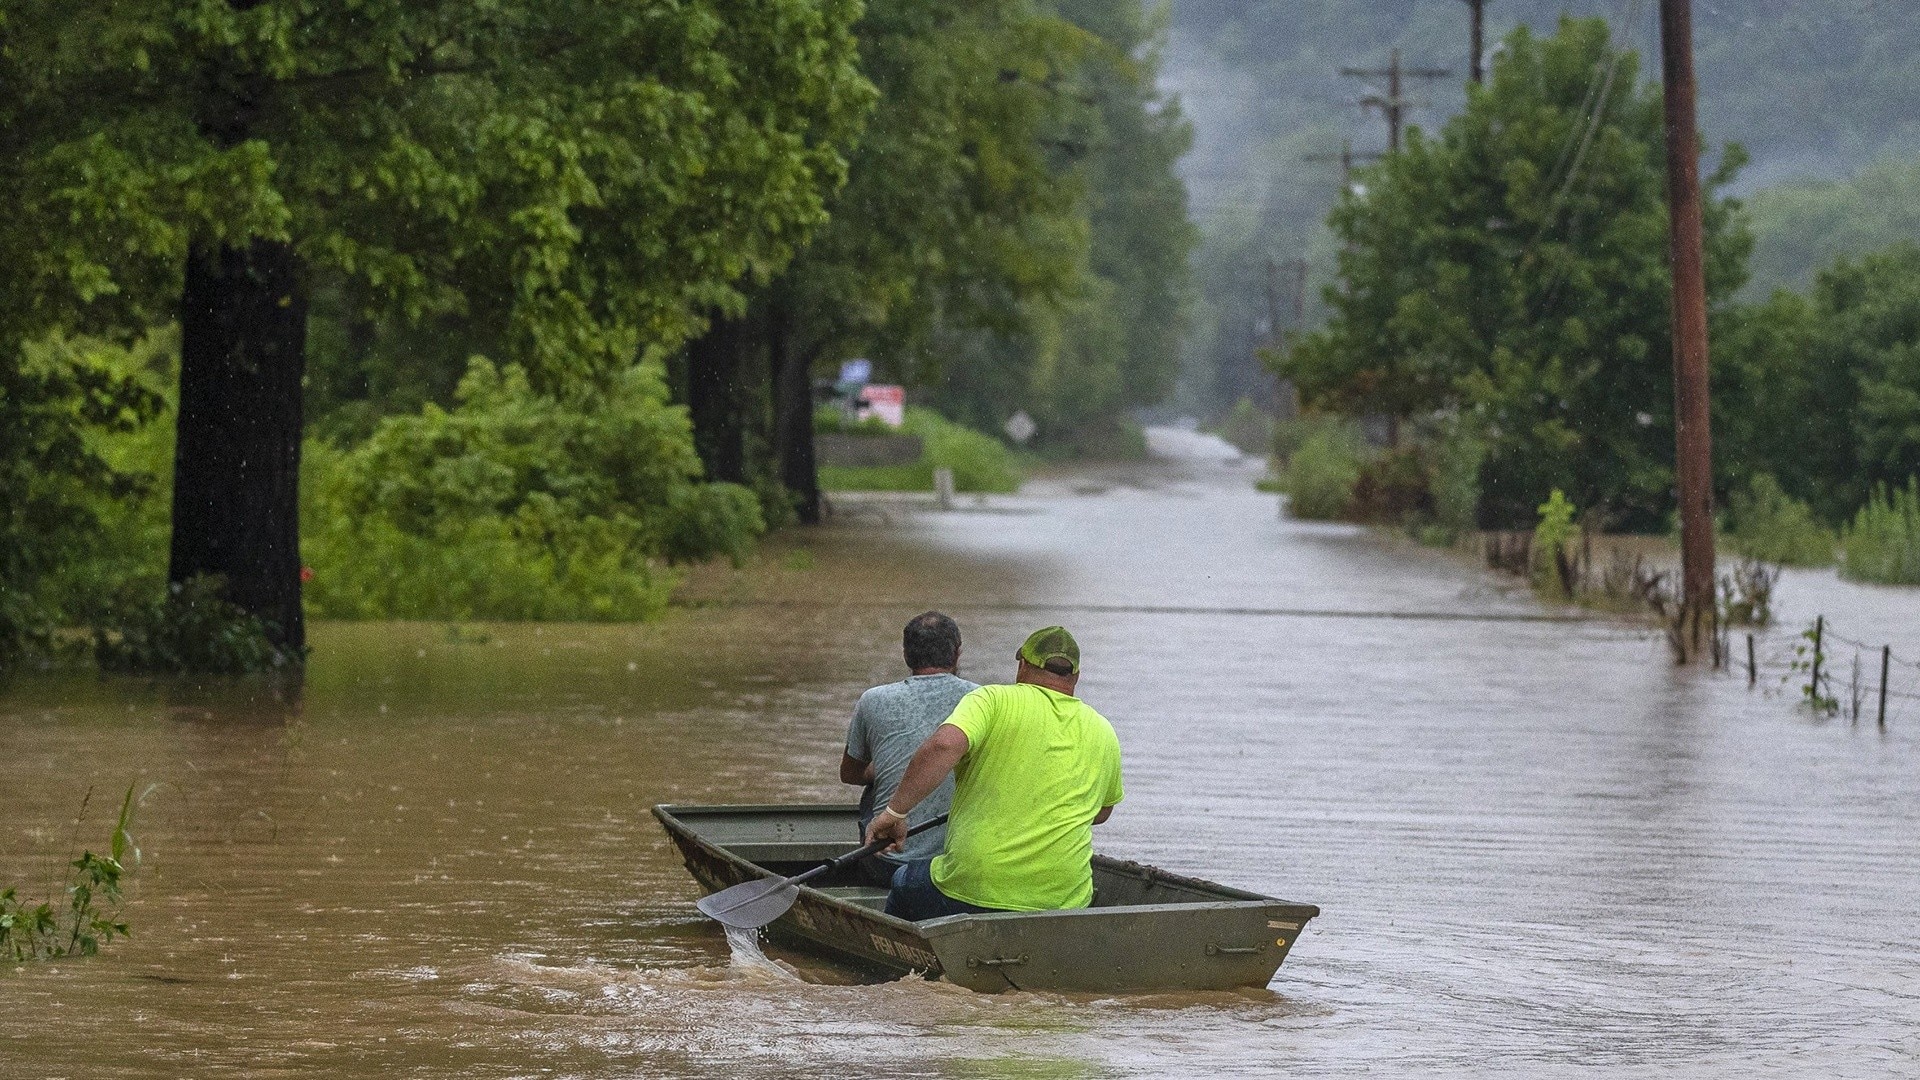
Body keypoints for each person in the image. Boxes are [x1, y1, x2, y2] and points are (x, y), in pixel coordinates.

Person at [864, 625, 1123, 920]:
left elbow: (944, 744)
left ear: (1022, 664)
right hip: (1064, 899)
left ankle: (898, 962)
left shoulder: (992, 700)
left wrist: (895, 814)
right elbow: (1101, 812)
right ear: (1075, 677)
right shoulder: (1104, 730)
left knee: (904, 881)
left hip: (976, 887)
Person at [841, 611, 978, 886]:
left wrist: (891, 767)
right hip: (957, 864)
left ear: (906, 655)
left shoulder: (874, 699)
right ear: (958, 654)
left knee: (873, 793)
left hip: (885, 863)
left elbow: (850, 774)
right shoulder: (982, 699)